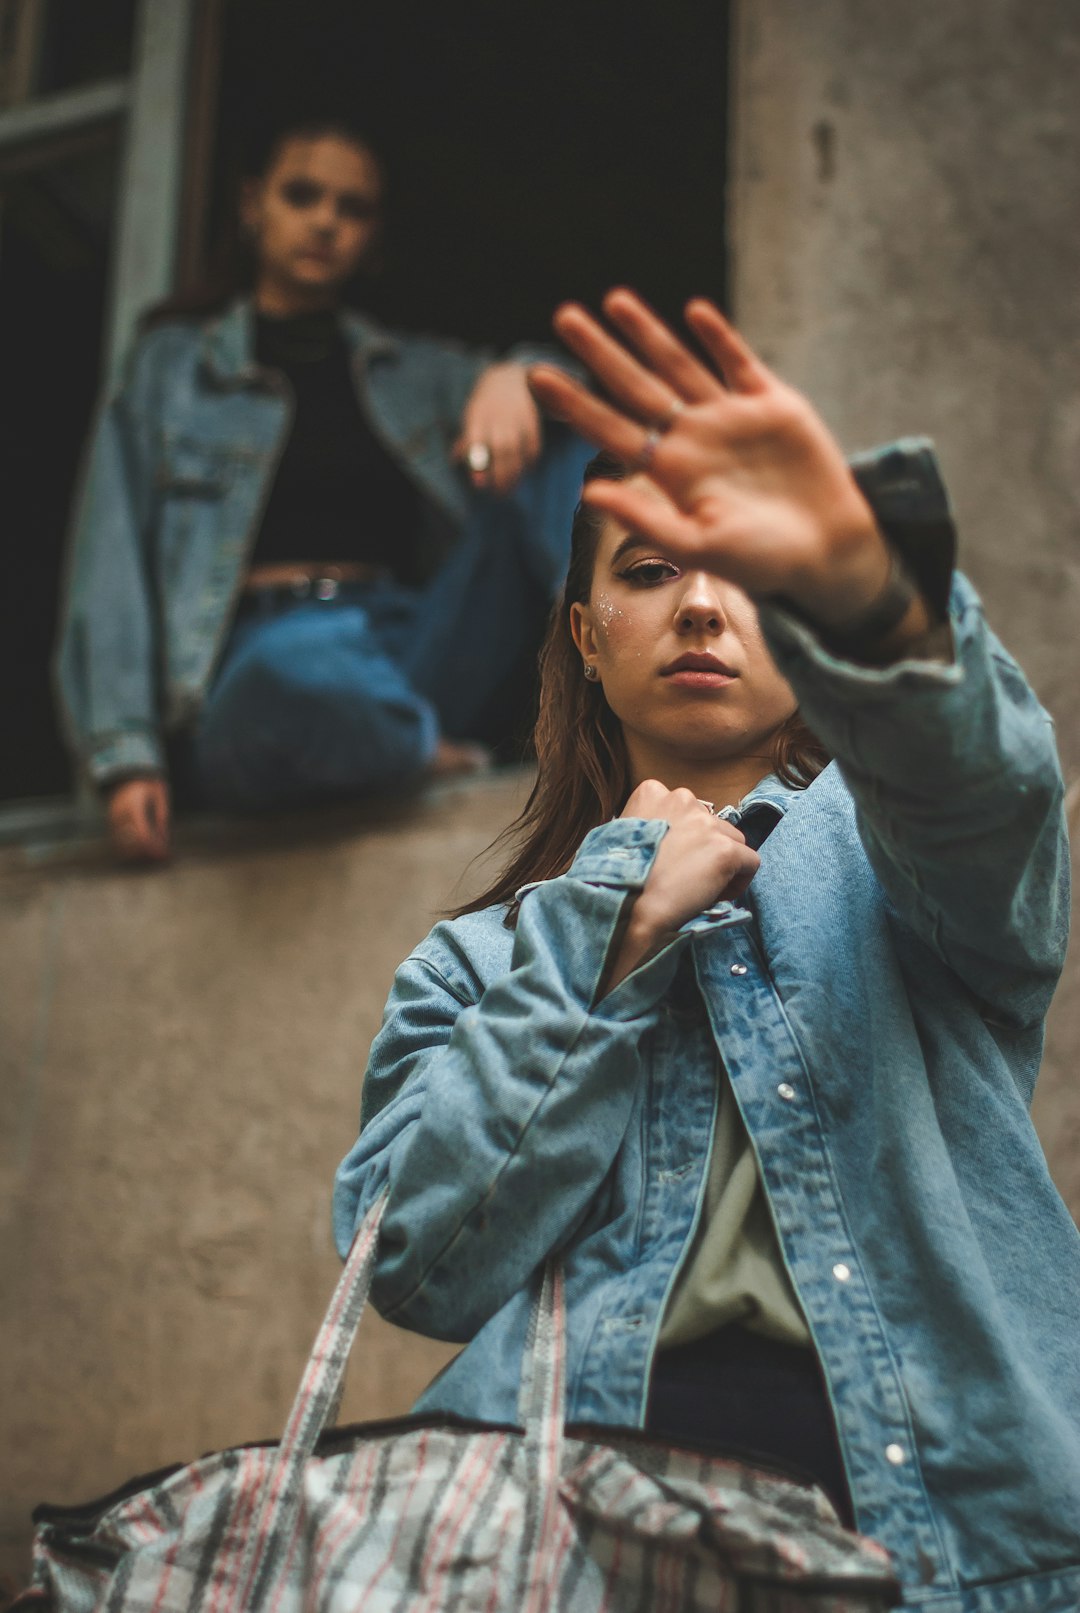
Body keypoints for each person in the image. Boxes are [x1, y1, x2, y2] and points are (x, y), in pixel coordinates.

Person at [333, 289, 1080, 1608]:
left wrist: (864, 593)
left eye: (742, 574)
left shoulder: (904, 855)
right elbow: (418, 1264)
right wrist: (608, 920)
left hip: (936, 1544)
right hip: (572, 1558)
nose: (698, 607)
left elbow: (984, 790)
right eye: (649, 569)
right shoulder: (474, 962)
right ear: (584, 632)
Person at [56, 116, 588, 862]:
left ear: (373, 236)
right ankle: (414, 747)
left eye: (353, 208)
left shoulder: (409, 370)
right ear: (253, 206)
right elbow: (108, 560)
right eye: (303, 195)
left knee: (560, 420)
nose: (326, 222)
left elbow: (580, 397)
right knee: (293, 674)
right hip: (261, 662)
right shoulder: (171, 369)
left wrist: (518, 375)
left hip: (407, 646)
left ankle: (609, 664)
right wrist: (124, 752)